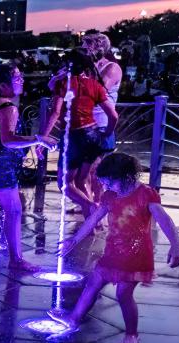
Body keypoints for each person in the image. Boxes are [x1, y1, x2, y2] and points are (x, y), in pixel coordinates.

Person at [48, 153, 179, 343]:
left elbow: (165, 220)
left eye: (108, 182)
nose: (105, 186)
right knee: (93, 282)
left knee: (123, 294)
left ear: (127, 177)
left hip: (136, 256)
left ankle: (132, 334)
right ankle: (74, 318)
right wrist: (74, 239)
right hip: (113, 252)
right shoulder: (110, 196)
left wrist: (176, 245)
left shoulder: (146, 195)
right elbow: (93, 219)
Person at [0, 63, 53, 271]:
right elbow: (8, 140)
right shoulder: (8, 107)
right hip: (0, 167)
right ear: (4, 85)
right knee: (13, 211)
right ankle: (16, 259)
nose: (22, 80)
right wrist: (38, 139)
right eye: (17, 78)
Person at [39, 49, 117, 220]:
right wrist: (106, 134)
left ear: (68, 65)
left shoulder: (64, 85)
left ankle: (91, 206)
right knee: (81, 180)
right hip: (93, 135)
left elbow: (55, 113)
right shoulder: (95, 85)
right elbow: (113, 115)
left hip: (74, 138)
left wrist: (42, 138)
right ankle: (93, 224)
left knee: (64, 184)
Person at [82, 33, 122, 203]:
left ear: (98, 48)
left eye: (86, 47)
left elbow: (99, 90)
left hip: (101, 124)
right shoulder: (88, 68)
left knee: (95, 169)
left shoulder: (111, 68)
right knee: (82, 169)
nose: (83, 50)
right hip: (84, 124)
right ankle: (87, 202)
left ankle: (99, 204)